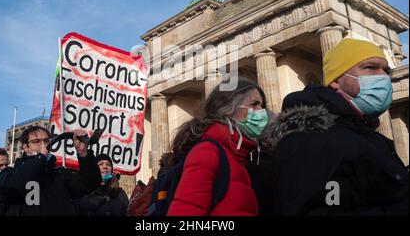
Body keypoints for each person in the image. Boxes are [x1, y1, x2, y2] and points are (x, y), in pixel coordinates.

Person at [271, 38, 409, 215]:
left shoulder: (372, 138)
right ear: (335, 81)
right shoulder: (311, 139)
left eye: (386, 71)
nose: (383, 76)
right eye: (370, 67)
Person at [167, 77, 263, 216]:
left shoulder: (240, 156)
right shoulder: (207, 152)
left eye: (261, 105)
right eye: (253, 104)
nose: (261, 111)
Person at [0, 126, 101, 216]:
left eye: (46, 140)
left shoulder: (59, 174)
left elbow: (89, 183)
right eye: (36, 141)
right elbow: (18, 184)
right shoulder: (11, 174)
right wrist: (41, 158)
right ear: (26, 147)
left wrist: (83, 154)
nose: (43, 145)